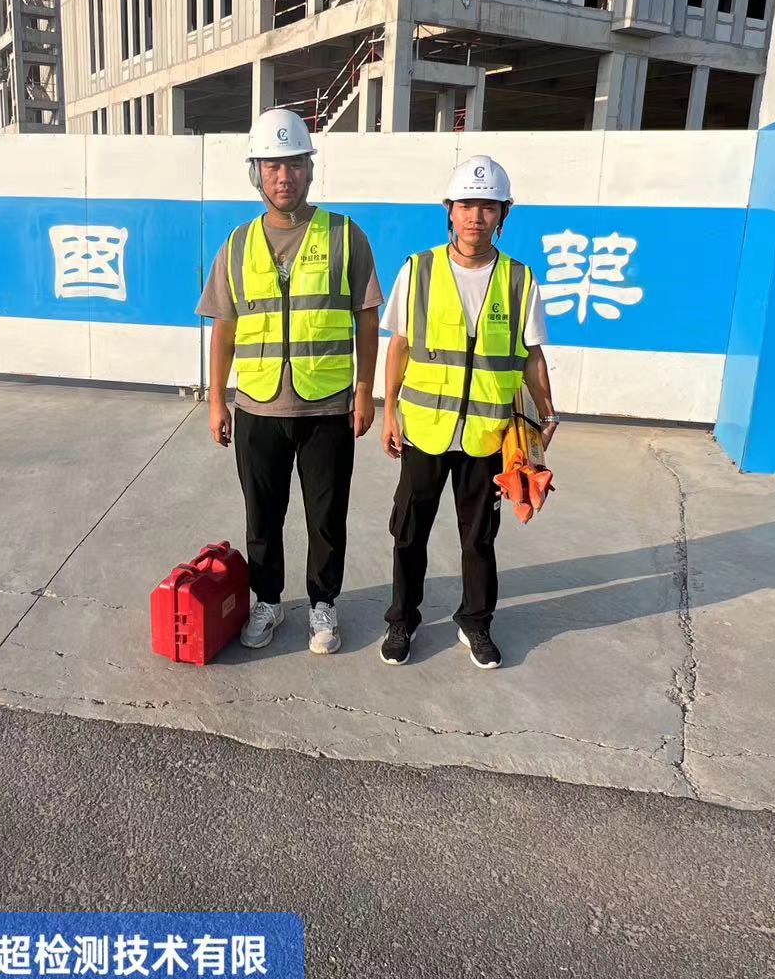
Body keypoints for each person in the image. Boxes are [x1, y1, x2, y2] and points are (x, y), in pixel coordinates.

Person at [197, 107, 382, 655]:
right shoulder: (237, 245)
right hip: (257, 405)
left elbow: (366, 316)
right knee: (262, 515)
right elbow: (224, 328)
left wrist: (365, 392)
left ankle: (323, 604)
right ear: (256, 172)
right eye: (273, 166)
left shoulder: (344, 236)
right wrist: (217, 400)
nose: (285, 176)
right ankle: (268, 600)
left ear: (310, 168)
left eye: (295, 164)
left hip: (327, 404)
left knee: (326, 516)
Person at [378, 155, 557, 670]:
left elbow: (532, 355)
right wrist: (389, 412)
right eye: (466, 205)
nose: (476, 216)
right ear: (449, 211)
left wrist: (546, 414)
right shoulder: (419, 269)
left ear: (503, 214)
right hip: (424, 429)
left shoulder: (519, 279)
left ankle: (475, 621)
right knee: (409, 531)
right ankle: (402, 621)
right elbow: (399, 345)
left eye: (488, 206)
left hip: (487, 433)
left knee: (479, 537)